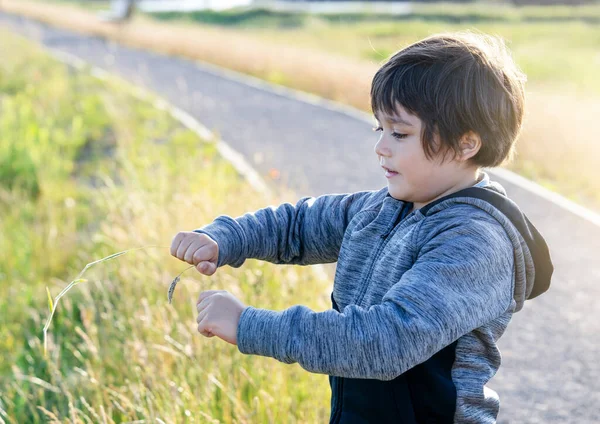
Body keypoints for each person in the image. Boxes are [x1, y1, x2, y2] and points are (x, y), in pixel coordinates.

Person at [170, 30, 553, 423]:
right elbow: (298, 225)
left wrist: (248, 325)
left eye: (400, 133)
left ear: (466, 144)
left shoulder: (474, 241)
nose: (381, 147)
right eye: (379, 129)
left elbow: (387, 341)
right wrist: (223, 238)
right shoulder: (380, 209)